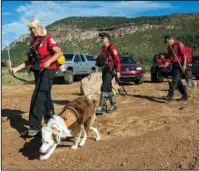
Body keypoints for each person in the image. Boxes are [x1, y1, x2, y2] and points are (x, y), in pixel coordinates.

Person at [9, 18, 63, 137]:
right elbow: (30, 60)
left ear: (40, 26)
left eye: (34, 27)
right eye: (30, 28)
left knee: (38, 96)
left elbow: (58, 53)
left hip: (48, 70)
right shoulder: (34, 42)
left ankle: (35, 126)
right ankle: (52, 120)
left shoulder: (48, 38)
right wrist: (16, 68)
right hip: (38, 71)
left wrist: (49, 62)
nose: (32, 30)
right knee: (45, 95)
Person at [94, 32, 121, 114]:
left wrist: (118, 71)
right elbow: (102, 60)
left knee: (104, 87)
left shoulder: (112, 48)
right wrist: (97, 58)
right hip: (105, 69)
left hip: (110, 69)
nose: (101, 40)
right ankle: (113, 105)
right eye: (101, 38)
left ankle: (102, 106)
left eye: (103, 38)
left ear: (107, 40)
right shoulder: (103, 49)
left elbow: (117, 60)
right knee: (108, 88)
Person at [162, 35, 188, 102]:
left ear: (170, 39)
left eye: (167, 41)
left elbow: (184, 55)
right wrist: (164, 58)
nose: (167, 43)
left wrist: (184, 66)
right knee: (178, 82)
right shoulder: (169, 47)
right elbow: (170, 56)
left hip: (180, 65)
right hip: (174, 65)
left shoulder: (179, 44)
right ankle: (185, 96)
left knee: (174, 81)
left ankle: (169, 96)